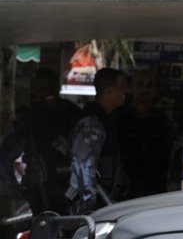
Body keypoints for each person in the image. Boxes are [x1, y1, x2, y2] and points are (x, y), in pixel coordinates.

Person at [0, 68, 80, 214]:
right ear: (35, 91)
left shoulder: (72, 113)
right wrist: (13, 189)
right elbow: (6, 154)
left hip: (70, 186)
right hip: (40, 188)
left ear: (58, 86)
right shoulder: (30, 118)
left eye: (50, 86)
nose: (46, 92)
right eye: (41, 88)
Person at [66, 68, 128, 213]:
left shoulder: (104, 120)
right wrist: (89, 203)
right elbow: (82, 167)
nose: (125, 92)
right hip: (91, 207)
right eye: (121, 88)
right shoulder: (92, 123)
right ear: (108, 92)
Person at [115, 69, 175, 198]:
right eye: (140, 84)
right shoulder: (119, 118)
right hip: (124, 190)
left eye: (149, 85)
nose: (145, 89)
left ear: (155, 90)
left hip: (154, 190)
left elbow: (168, 160)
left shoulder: (163, 121)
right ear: (131, 88)